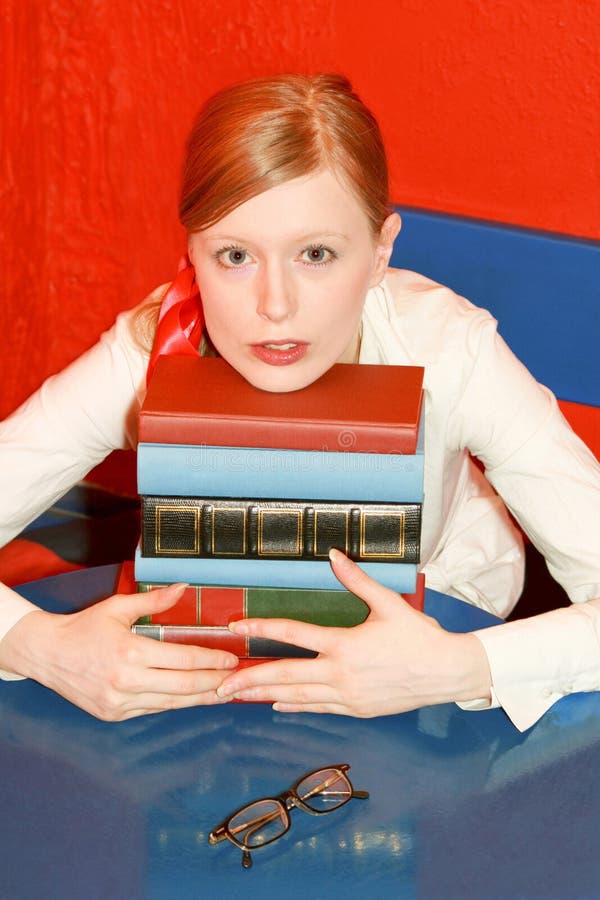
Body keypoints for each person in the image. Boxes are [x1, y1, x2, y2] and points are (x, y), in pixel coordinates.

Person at [0, 74, 598, 730]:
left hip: (429, 641)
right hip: (208, 653)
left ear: (379, 252)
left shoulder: (451, 350)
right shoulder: (147, 348)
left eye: (316, 254)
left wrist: (459, 665)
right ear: (191, 254)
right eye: (235, 256)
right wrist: (41, 646)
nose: (275, 306)